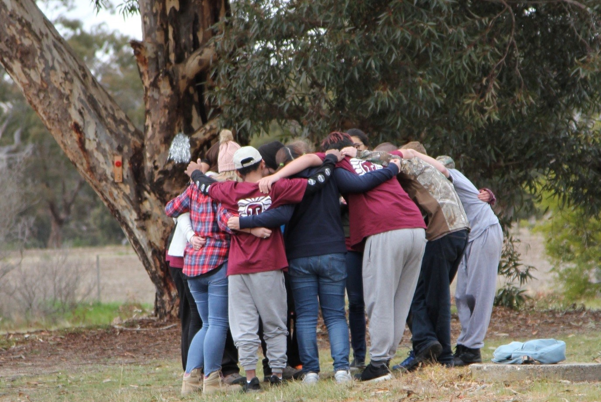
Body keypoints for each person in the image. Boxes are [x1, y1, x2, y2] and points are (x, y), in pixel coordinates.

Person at [257, 132, 427, 382]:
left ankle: (316, 371)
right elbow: (410, 153)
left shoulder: (332, 165)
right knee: (355, 309)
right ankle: (346, 368)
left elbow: (309, 168)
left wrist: (274, 177)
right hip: (412, 227)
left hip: (324, 246)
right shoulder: (376, 158)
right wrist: (397, 168)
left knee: (312, 314)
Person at [186, 146, 339, 392]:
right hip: (269, 265)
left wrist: (195, 172)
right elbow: (317, 182)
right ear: (261, 166)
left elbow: (205, 185)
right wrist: (330, 159)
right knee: (275, 323)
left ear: (237, 171)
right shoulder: (278, 188)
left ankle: (249, 379)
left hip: (237, 269)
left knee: (243, 325)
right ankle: (276, 374)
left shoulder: (229, 190)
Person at [353, 144, 470, 370]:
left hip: (441, 230)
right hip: (460, 228)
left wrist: (355, 153)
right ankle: (427, 345)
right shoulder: (430, 167)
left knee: (432, 297)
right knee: (424, 292)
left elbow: (388, 159)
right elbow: (447, 163)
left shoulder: (405, 163)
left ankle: (440, 353)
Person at [165, 181, 241, 395]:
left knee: (206, 324)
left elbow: (170, 208)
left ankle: (189, 382)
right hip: (216, 264)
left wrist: (190, 232)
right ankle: (212, 381)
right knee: (217, 323)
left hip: (192, 266)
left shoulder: (192, 190)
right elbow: (228, 223)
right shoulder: (222, 192)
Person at [435, 155, 504, 366]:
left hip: (484, 232)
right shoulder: (442, 192)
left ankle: (472, 348)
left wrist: (409, 155)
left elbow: (443, 171)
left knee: (478, 293)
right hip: (470, 236)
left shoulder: (454, 177)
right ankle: (465, 345)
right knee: (463, 294)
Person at [165, 212, 202, 372]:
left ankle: (190, 368)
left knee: (191, 315)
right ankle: (192, 369)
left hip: (180, 257)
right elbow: (176, 212)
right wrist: (191, 235)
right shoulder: (193, 192)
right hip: (183, 258)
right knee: (195, 316)